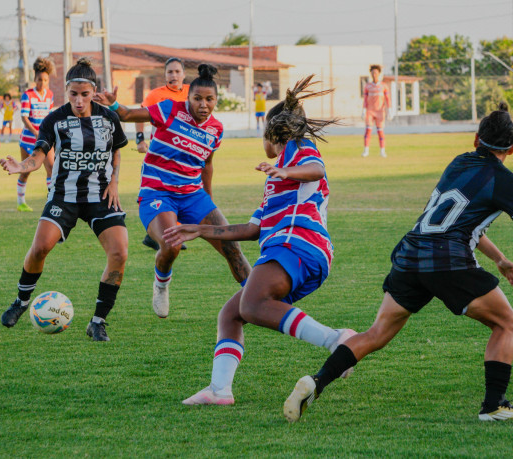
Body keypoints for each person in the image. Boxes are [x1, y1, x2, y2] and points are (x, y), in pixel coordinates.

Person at [283, 102, 513, 423]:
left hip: (411, 253)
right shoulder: (505, 180)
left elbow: (451, 221)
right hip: (447, 260)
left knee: (376, 333)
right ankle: (493, 407)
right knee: (506, 323)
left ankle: (316, 381)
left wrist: (499, 258)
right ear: (512, 148)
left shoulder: (459, 163)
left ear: (476, 140)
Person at [163, 75, 353, 406]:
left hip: (297, 244)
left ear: (271, 135)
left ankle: (338, 341)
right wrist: (200, 229)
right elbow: (251, 230)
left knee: (251, 306)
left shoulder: (297, 150)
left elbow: (316, 169)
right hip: (299, 252)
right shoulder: (274, 181)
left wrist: (286, 171)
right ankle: (219, 390)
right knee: (232, 314)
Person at [94, 64, 251, 319]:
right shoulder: (169, 110)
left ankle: (259, 297)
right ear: (188, 97)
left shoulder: (216, 130)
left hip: (193, 195)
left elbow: (207, 164)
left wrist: (208, 199)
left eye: (209, 99)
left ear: (216, 101)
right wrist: (113, 105)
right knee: (171, 245)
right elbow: (128, 114)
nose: (203, 104)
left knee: (232, 246)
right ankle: (161, 283)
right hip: (158, 193)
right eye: (197, 98)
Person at [0, 58, 129, 342]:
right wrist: (21, 166)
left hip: (101, 194)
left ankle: (97, 321)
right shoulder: (54, 120)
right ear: (66, 92)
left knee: (119, 253)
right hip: (64, 195)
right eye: (73, 94)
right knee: (40, 247)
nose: (79, 100)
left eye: (85, 94)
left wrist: (115, 180)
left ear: (93, 92)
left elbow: (117, 150)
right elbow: (39, 154)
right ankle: (21, 302)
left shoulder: (109, 118)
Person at [135, 57, 190, 251]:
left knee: (179, 190)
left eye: (177, 71)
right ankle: (167, 234)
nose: (173, 75)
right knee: (163, 191)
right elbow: (140, 114)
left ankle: (159, 234)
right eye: (170, 72)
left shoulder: (192, 92)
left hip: (185, 153)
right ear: (165, 74)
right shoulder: (156, 95)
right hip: (161, 154)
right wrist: (140, 139)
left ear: (183, 74)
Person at [17, 57, 55, 212]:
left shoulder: (50, 95)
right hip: (28, 139)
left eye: (45, 80)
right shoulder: (28, 95)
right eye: (40, 80)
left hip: (45, 138)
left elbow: (50, 116)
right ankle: (21, 202)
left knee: (51, 168)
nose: (42, 83)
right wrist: (35, 132)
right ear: (35, 79)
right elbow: (24, 117)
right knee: (26, 170)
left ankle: (51, 200)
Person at [361, 64, 391, 158]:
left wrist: (389, 109)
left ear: (379, 74)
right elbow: (365, 99)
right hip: (370, 111)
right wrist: (364, 109)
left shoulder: (383, 86)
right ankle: (366, 151)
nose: (374, 74)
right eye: (373, 73)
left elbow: (387, 99)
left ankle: (382, 151)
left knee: (380, 131)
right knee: (368, 131)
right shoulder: (368, 86)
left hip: (380, 111)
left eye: (376, 73)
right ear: (371, 74)